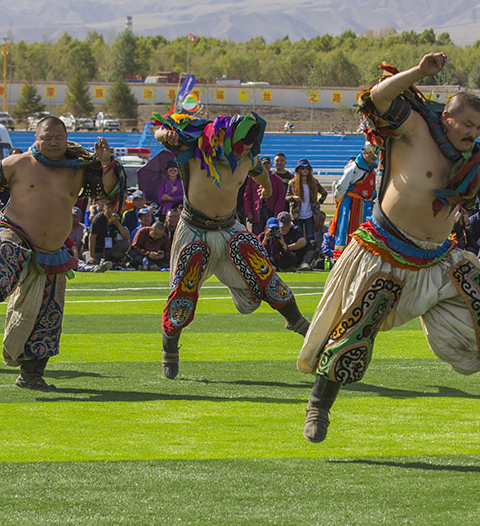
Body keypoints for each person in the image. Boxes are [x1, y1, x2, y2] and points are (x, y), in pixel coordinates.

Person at [298, 52, 480, 445]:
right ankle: (319, 405)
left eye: (479, 127)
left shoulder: (469, 156)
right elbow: (376, 98)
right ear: (447, 117)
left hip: (437, 259)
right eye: (466, 123)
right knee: (354, 328)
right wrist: (419, 71)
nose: (472, 132)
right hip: (384, 251)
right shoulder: (414, 128)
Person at [0, 116, 122, 388]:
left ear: (66, 137)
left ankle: (31, 375)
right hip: (13, 231)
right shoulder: (18, 163)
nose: (53, 143)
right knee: (4, 246)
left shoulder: (78, 169)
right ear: (36, 139)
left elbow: (108, 190)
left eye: (58, 137)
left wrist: (106, 163)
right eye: (47, 138)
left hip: (51, 252)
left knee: (49, 313)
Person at [153, 110, 309, 379]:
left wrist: (268, 190)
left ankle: (295, 319)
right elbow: (160, 130)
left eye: (249, 146)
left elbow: (260, 172)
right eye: (242, 144)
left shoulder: (247, 158)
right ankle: (170, 348)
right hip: (193, 229)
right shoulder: (196, 145)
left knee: (263, 270)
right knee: (183, 291)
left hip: (229, 229)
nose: (244, 150)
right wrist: (164, 134)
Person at [330, 144, 379, 260]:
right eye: (372, 152)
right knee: (348, 229)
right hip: (351, 204)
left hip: (365, 204)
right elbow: (342, 186)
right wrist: (340, 201)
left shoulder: (371, 169)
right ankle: (345, 257)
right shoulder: (354, 168)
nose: (374, 156)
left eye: (376, 153)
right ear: (365, 153)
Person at [286, 158, 327, 250]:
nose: (305, 170)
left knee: (310, 238)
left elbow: (324, 193)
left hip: (310, 215)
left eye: (307, 168)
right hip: (297, 215)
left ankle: (309, 258)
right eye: (303, 168)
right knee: (299, 238)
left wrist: (318, 203)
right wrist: (294, 198)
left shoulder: (314, 182)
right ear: (298, 169)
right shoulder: (292, 183)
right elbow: (287, 197)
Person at [87, 196, 131, 266]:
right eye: (110, 210)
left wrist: (118, 224)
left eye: (114, 210)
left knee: (124, 244)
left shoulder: (117, 218)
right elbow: (92, 237)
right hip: (96, 250)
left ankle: (113, 261)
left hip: (108, 249)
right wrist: (92, 256)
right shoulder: (98, 218)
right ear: (104, 211)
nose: (112, 212)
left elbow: (126, 237)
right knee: (92, 263)